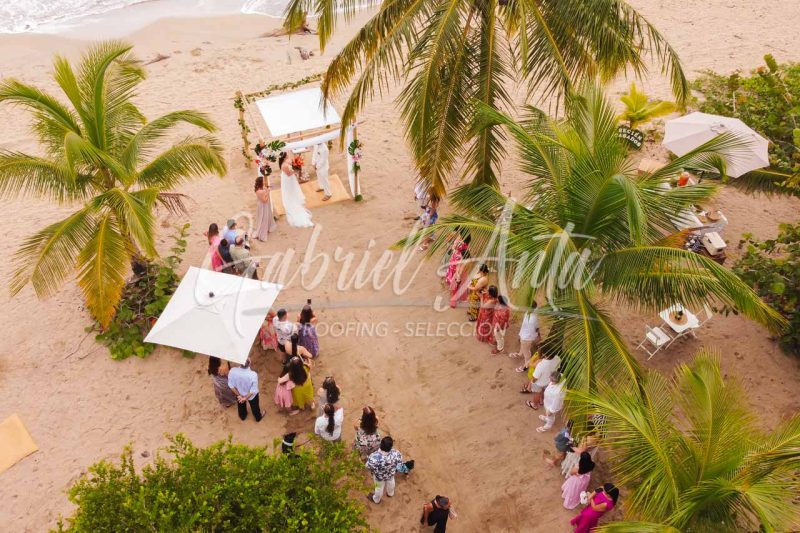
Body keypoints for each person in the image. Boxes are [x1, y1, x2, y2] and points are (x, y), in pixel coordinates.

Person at [279, 151, 314, 228]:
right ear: (284, 157)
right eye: (287, 155)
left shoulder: (285, 162)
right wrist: (295, 171)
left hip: (289, 178)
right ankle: (292, 200)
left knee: (292, 190)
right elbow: (288, 174)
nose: (288, 156)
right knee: (290, 191)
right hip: (288, 179)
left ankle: (293, 197)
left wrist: (294, 166)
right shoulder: (284, 165)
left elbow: (291, 164)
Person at [365, 436, 404, 504]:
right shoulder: (396, 453)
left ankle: (376, 500)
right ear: (391, 446)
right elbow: (400, 465)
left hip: (378, 477)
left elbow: (368, 466)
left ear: (381, 444)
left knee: (378, 488)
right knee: (391, 482)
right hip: (391, 474)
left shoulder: (374, 456)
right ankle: (390, 493)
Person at [446, 239, 469, 308]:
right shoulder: (467, 261)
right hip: (463, 276)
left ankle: (454, 302)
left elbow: (459, 271)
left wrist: (457, 277)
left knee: (455, 288)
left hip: (458, 277)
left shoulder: (463, 263)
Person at [254, 176, 278, 241]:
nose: (264, 182)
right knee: (263, 217)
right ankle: (263, 230)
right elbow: (265, 200)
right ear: (260, 182)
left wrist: (267, 189)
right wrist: (267, 192)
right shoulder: (260, 191)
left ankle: (268, 226)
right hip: (263, 206)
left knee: (266, 216)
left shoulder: (260, 188)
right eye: (263, 181)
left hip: (264, 205)